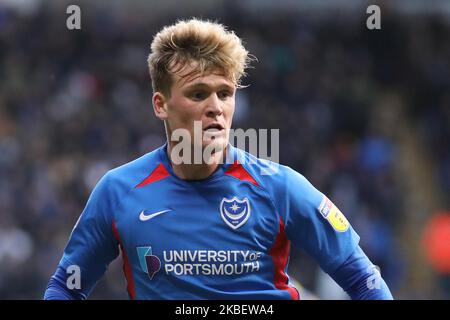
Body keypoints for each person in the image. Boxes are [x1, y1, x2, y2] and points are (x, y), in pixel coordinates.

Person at [44, 18, 393, 300]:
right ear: (160, 105)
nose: (215, 107)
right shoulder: (118, 192)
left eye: (225, 93)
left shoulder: (280, 187)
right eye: (198, 94)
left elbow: (365, 283)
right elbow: (66, 287)